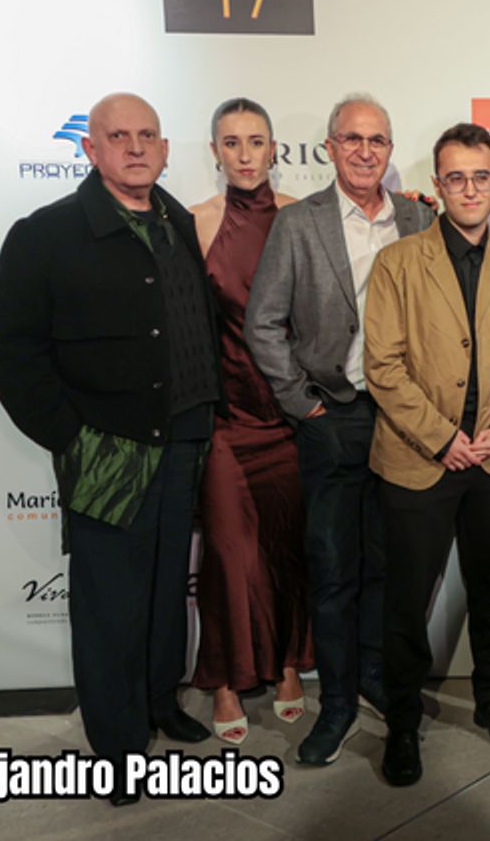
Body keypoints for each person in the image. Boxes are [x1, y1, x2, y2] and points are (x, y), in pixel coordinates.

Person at [0, 92, 220, 805]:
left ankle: (158, 704)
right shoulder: (46, 234)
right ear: (90, 149)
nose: (136, 147)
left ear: (167, 147)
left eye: (148, 134)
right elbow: (10, 350)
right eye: (119, 136)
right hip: (109, 451)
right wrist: (71, 437)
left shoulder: (178, 219)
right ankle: (116, 749)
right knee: (108, 605)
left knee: (161, 597)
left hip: (183, 439)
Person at [244, 93, 434, 766]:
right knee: (333, 572)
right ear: (329, 147)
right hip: (334, 417)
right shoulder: (299, 224)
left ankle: (378, 679)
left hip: (404, 422)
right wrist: (305, 405)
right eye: (351, 139)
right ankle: (339, 703)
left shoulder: (417, 218)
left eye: (377, 140)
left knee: (388, 565)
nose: (364, 151)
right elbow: (262, 323)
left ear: (389, 148)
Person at [364, 123, 490, 786]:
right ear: (437, 186)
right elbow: (382, 368)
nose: (469, 189)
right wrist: (444, 438)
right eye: (455, 178)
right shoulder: (398, 262)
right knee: (407, 600)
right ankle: (403, 723)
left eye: (481, 176)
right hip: (420, 460)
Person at [187, 98, 314, 745]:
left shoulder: (299, 216)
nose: (243, 154)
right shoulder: (196, 223)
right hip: (226, 421)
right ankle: (227, 680)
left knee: (286, 548)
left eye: (255, 142)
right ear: (214, 151)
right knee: (228, 554)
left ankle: (289, 662)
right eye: (230, 142)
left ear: (274, 149)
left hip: (289, 415)